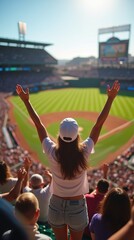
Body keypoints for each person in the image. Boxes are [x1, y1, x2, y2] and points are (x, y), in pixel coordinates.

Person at [16, 80, 120, 240]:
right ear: (77, 135)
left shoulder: (52, 151)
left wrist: (26, 101)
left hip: (56, 205)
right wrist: (110, 99)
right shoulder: (84, 151)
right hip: (77, 206)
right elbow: (98, 125)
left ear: (59, 135)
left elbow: (39, 125)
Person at [84, 164, 109, 239]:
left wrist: (105, 173)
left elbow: (93, 195)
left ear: (96, 188)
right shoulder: (107, 202)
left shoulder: (87, 198)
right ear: (107, 191)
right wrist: (105, 174)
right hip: (95, 235)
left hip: (81, 232)